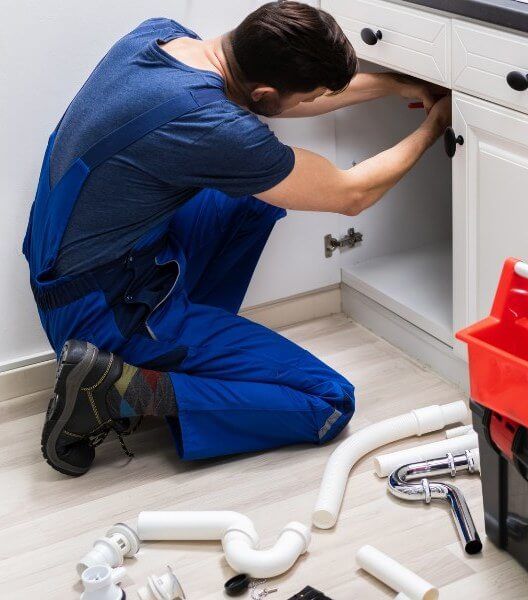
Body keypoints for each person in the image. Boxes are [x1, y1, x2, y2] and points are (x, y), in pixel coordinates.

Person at [24, 1, 451, 476]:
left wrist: (396, 84)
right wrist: (437, 123)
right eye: (301, 99)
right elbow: (352, 194)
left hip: (75, 266)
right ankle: (123, 389)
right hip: (103, 312)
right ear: (265, 91)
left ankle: (182, 356)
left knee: (250, 196)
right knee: (327, 401)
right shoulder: (209, 126)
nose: (304, 107)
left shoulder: (160, 39)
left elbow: (271, 107)